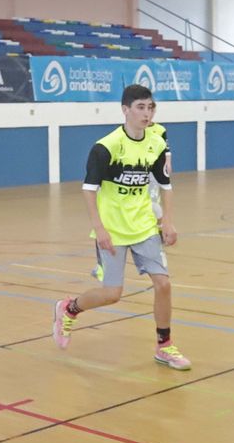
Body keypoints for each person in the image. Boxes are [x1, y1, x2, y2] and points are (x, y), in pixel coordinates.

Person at [51, 84, 190, 370]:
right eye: (140, 107)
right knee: (112, 294)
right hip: (113, 229)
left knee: (163, 284)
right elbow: (89, 190)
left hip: (144, 225)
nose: (147, 113)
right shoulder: (106, 148)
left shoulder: (156, 143)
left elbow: (166, 185)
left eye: (151, 107)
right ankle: (69, 308)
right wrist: (99, 229)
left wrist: (167, 220)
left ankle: (164, 346)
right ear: (125, 110)